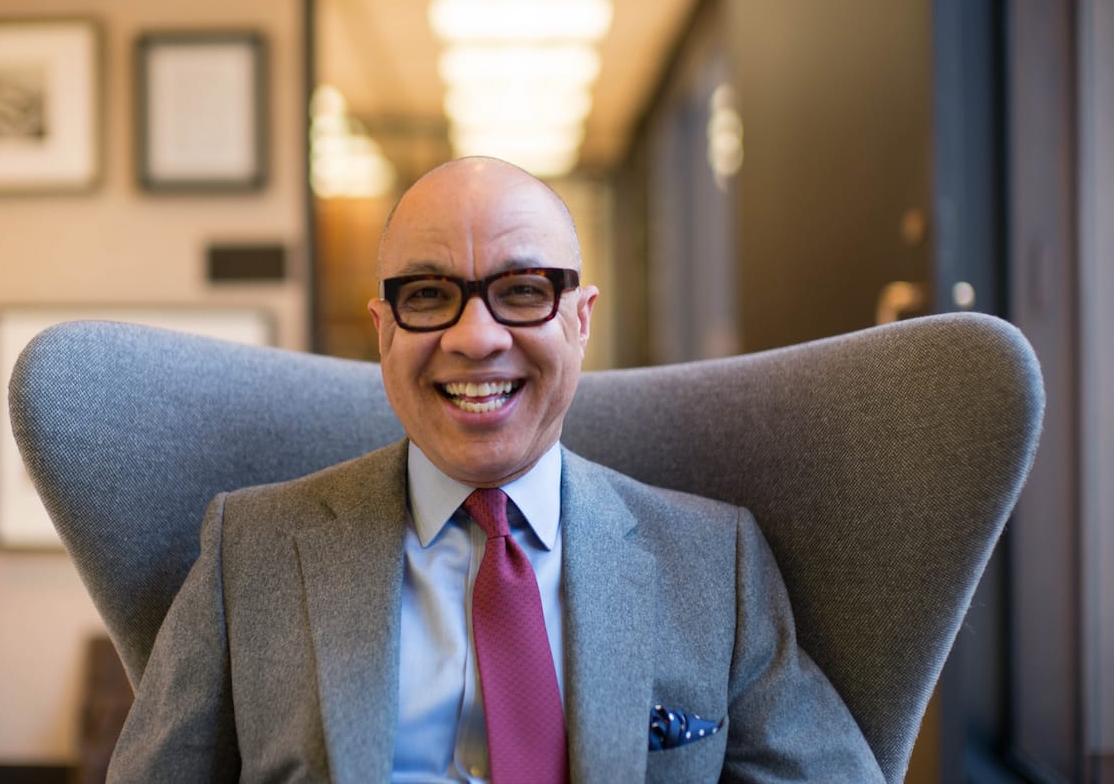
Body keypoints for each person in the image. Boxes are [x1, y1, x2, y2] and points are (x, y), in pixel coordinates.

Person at [108, 156, 885, 783]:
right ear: (383, 333)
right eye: (427, 295)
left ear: (581, 321)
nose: (476, 337)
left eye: (521, 291)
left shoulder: (715, 562)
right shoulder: (249, 552)